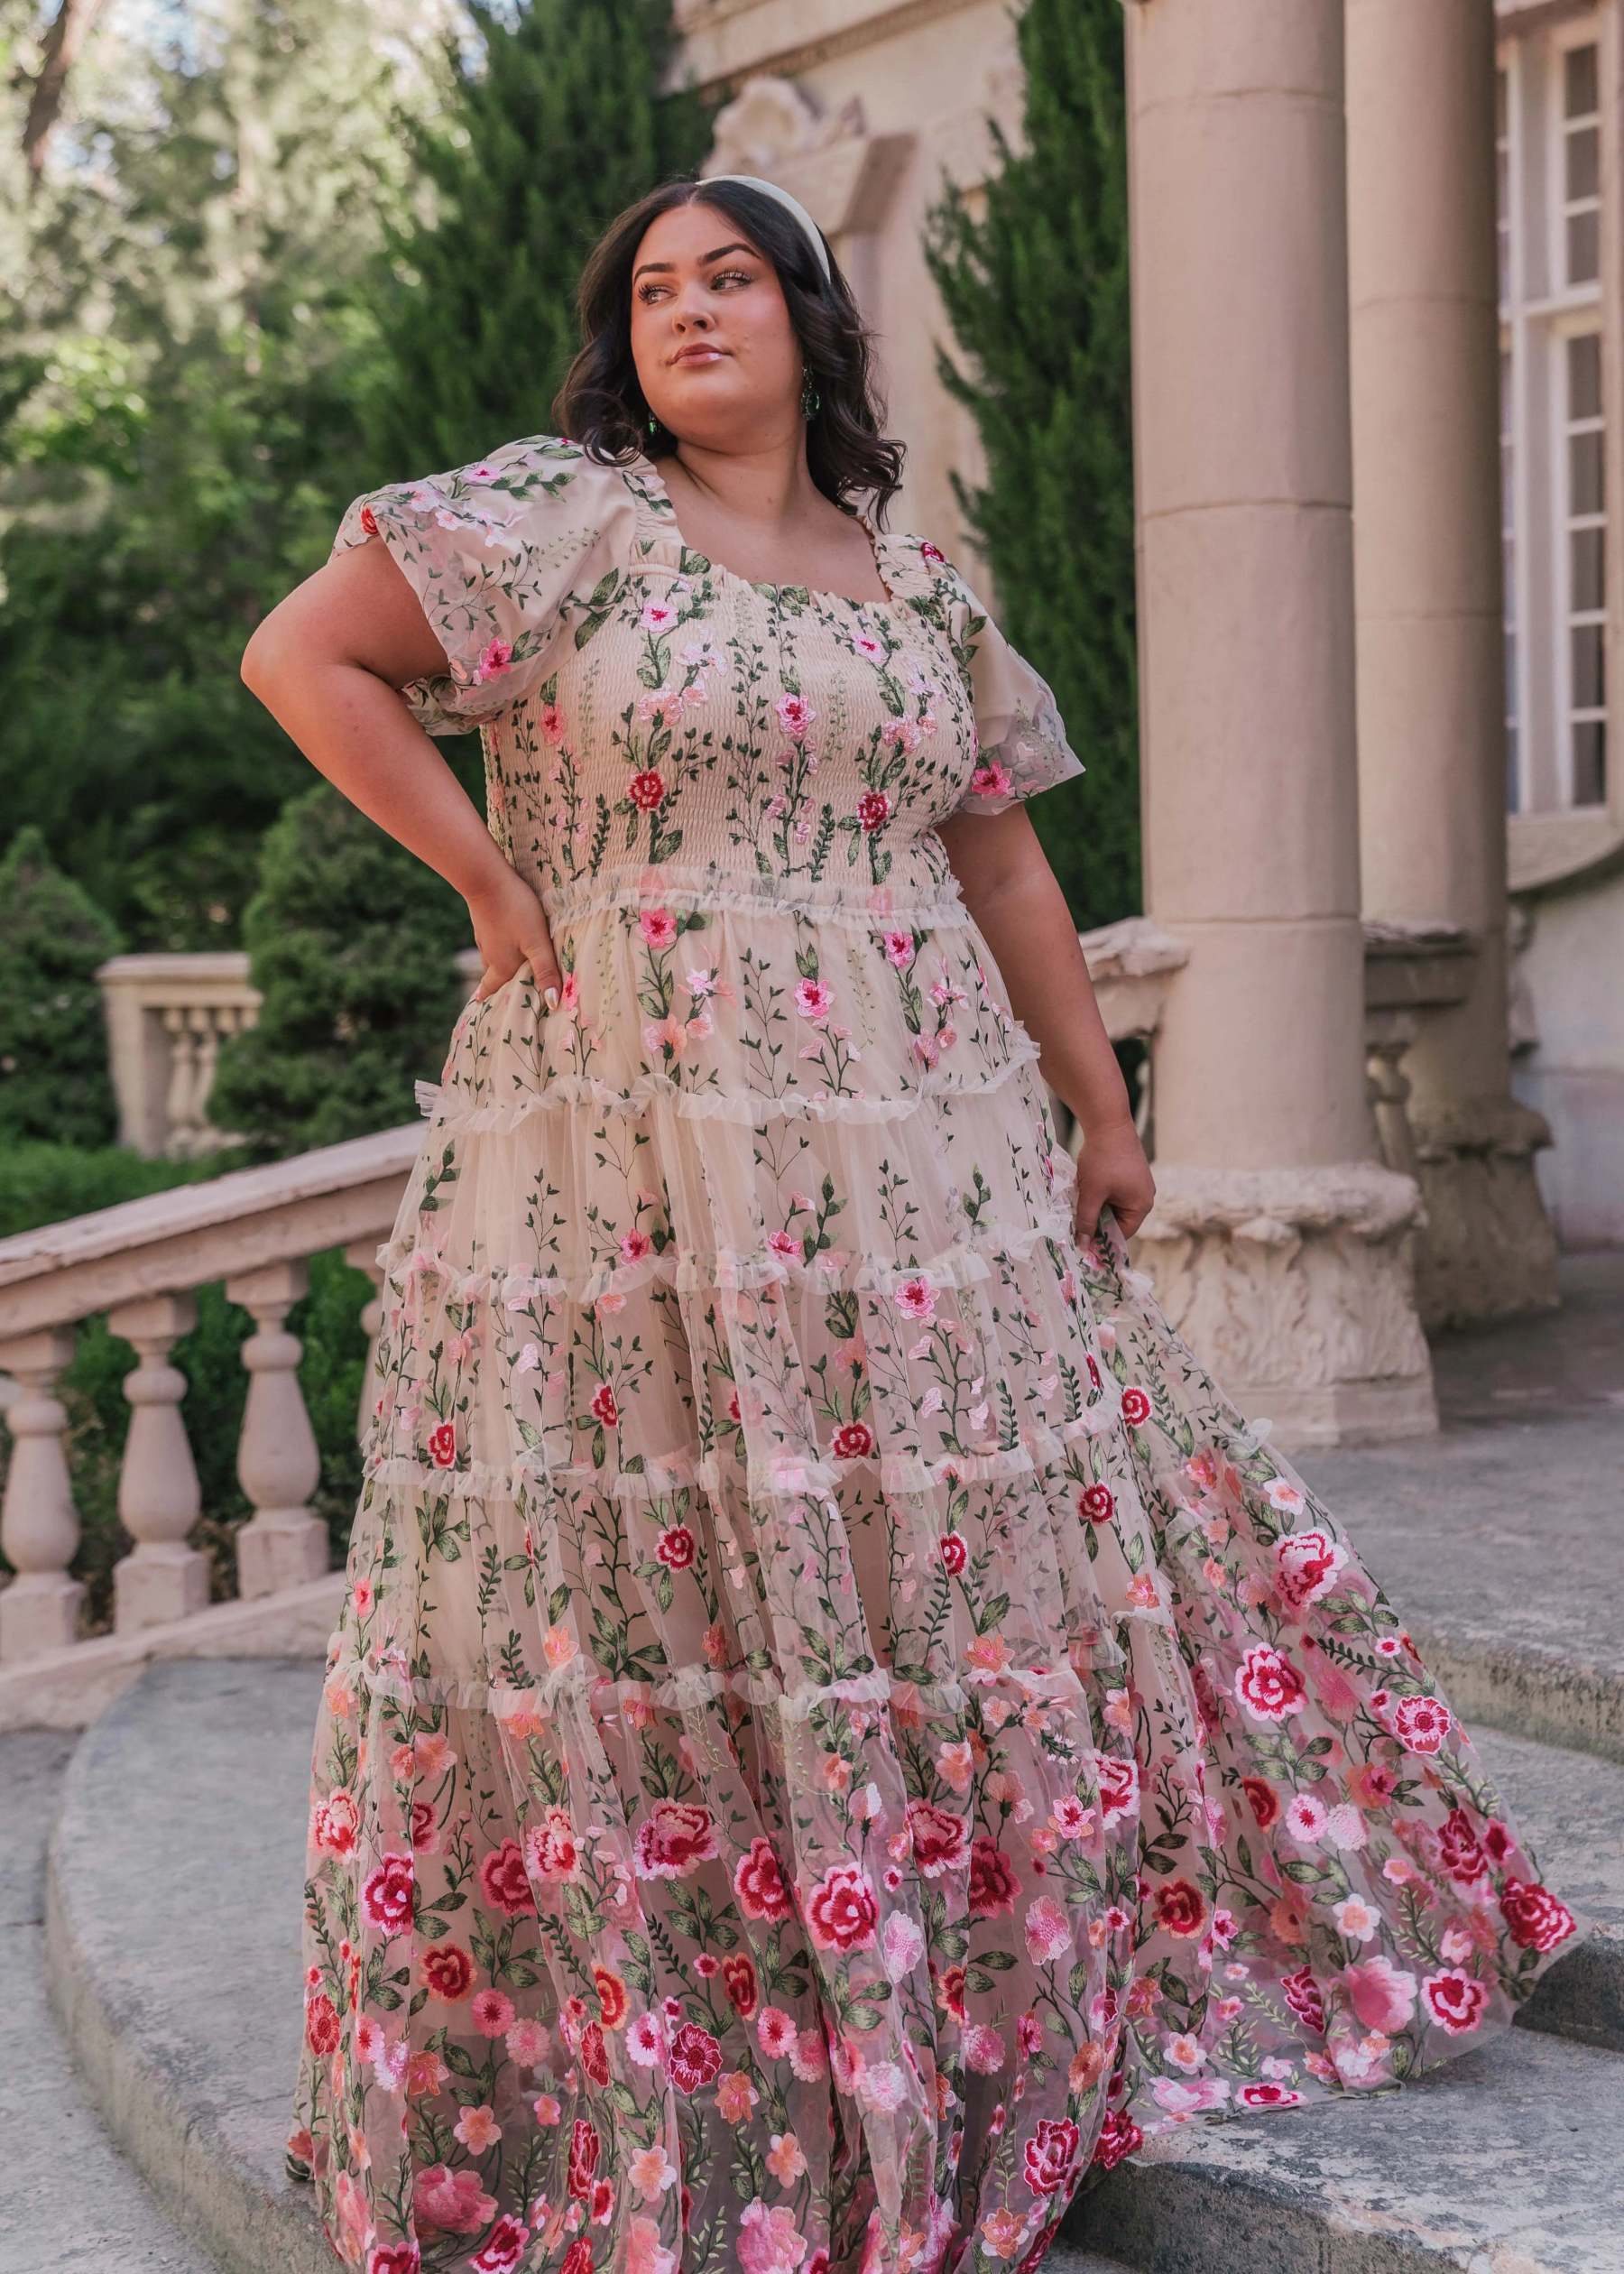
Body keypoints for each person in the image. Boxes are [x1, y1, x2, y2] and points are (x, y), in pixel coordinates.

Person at [241, 173, 1577, 2274]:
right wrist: (488, 885)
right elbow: (303, 654)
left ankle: (962, 1972)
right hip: (642, 1141)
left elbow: (1007, 863)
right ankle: (713, 2035)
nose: (691, 310)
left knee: (936, 1558)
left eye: (732, 277)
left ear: (811, 319)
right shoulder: (568, 521)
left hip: (923, 1146)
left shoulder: (919, 592)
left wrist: (1099, 1103)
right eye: (653, 290)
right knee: (671, 1569)